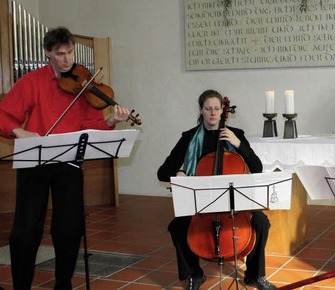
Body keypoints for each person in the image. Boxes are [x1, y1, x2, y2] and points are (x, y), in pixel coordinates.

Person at [0, 27, 131, 290]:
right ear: (47, 53)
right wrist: (19, 131)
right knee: (27, 228)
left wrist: (111, 120)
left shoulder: (82, 85)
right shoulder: (31, 81)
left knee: (70, 227)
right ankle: (21, 285)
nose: (67, 59)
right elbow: (4, 115)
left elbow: (91, 122)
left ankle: (63, 282)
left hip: (69, 160)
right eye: (60, 54)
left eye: (70, 52)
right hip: (34, 159)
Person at [157, 90, 276, 290]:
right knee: (177, 227)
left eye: (217, 108)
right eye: (208, 108)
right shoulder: (189, 138)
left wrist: (239, 145)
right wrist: (178, 174)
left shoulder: (236, 134)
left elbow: (257, 168)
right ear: (201, 110)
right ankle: (194, 274)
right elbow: (162, 171)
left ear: (223, 110)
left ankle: (255, 275)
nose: (213, 113)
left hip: (235, 202)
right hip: (201, 203)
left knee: (262, 222)